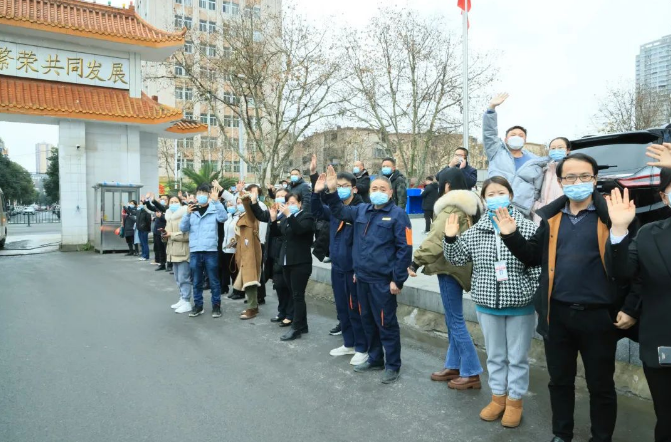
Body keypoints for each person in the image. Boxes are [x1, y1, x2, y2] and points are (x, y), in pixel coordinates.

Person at [496, 153, 639, 442]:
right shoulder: (551, 218)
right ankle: (562, 434)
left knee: (601, 385)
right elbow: (532, 257)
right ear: (560, 182)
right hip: (557, 315)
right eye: (570, 177)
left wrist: (630, 306)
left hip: (599, 317)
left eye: (584, 176)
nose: (577, 182)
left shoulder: (614, 215)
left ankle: (601, 437)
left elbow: (631, 270)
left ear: (595, 180)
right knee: (559, 382)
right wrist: (511, 235)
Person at [443, 176, 540, 428]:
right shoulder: (476, 231)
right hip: (487, 303)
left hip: (520, 304)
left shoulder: (528, 227)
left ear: (510, 195)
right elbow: (456, 258)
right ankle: (498, 398)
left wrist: (530, 291)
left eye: (501, 192)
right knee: (496, 356)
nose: (496, 198)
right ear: (484, 200)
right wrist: (451, 238)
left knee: (517, 357)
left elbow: (537, 266)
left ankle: (515, 401)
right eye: (490, 194)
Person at [324, 166, 413, 384]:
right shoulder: (361, 211)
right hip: (361, 278)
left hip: (383, 282)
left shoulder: (398, 215)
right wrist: (332, 190)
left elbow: (405, 249)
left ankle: (393, 364)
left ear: (390, 192)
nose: (377, 191)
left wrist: (397, 280)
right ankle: (375, 358)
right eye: (374, 188)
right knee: (368, 321)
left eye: (382, 188)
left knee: (386, 323)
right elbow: (338, 211)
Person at [606, 163, 671, 442]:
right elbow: (623, 272)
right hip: (663, 345)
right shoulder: (648, 234)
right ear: (664, 197)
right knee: (667, 420)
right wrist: (619, 230)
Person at [409, 168, 484, 389]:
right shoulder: (467, 206)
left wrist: (416, 261)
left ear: (448, 185)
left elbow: (436, 239)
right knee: (453, 320)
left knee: (455, 320)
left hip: (450, 267)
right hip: (458, 267)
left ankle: (471, 372)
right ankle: (454, 365)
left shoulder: (450, 207)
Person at [312, 171, 368, 365]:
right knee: (342, 307)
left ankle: (362, 347)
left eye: (344, 186)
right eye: (338, 186)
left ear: (354, 188)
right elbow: (318, 211)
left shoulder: (360, 210)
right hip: (337, 267)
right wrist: (316, 192)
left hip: (353, 269)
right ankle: (349, 343)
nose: (341, 189)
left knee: (355, 309)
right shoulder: (336, 211)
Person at [483, 93, 548, 218]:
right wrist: (491, 109)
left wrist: (529, 203)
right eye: (513, 135)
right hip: (495, 207)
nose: (517, 137)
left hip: (522, 212)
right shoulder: (496, 152)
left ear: (525, 140)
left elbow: (537, 188)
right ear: (505, 139)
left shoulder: (535, 161)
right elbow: (489, 133)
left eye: (521, 135)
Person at [180, 183, 228, 318]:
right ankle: (198, 306)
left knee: (214, 280)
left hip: (210, 250)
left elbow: (223, 218)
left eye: (204, 193)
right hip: (195, 250)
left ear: (208, 195)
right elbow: (183, 228)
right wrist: (187, 214)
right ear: (196, 196)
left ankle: (216, 306)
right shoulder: (192, 210)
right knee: (196, 280)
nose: (201, 196)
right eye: (199, 193)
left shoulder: (214, 208)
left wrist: (217, 201)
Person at [273, 192, 315, 341]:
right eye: (288, 203)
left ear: (300, 204)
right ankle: (303, 324)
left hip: (300, 263)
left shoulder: (307, 217)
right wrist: (273, 220)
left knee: (297, 295)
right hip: (286, 262)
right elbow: (278, 234)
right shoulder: (285, 218)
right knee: (294, 294)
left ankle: (296, 327)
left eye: (293, 202)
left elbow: (300, 231)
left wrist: (289, 215)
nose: (290, 205)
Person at [253, 187, 294, 327]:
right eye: (277, 196)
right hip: (272, 256)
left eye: (283, 195)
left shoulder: (289, 214)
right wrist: (253, 202)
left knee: (286, 287)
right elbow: (259, 214)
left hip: (284, 256)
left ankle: (290, 314)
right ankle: (282, 312)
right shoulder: (273, 212)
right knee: (278, 287)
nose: (280, 198)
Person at [235, 193, 264, 320]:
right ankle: (253, 305)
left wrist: (246, 200)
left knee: (250, 280)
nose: (239, 205)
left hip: (250, 252)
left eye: (240, 203)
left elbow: (248, 208)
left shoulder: (251, 216)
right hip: (243, 252)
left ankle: (252, 308)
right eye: (238, 202)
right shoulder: (241, 216)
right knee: (247, 280)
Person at [532, 137, 571, 224]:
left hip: (563, 214)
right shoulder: (546, 169)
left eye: (560, 147)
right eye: (553, 148)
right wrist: (537, 207)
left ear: (567, 150)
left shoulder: (572, 169)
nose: (556, 150)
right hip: (543, 215)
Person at [164, 196, 192, 314]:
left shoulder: (185, 215)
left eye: (176, 202)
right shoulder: (169, 217)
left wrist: (171, 235)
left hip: (183, 251)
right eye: (171, 202)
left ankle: (187, 301)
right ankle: (182, 298)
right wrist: (165, 235)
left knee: (183, 278)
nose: (173, 204)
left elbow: (187, 236)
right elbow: (167, 233)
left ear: (180, 203)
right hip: (172, 251)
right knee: (177, 278)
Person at [221, 200, 243, 300]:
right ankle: (235, 289)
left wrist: (233, 244)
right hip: (226, 247)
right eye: (228, 205)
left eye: (232, 205)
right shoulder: (228, 215)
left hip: (235, 247)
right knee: (230, 270)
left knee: (236, 270)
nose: (230, 206)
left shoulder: (240, 216)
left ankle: (239, 291)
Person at [145, 193, 168, 271]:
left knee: (166, 249)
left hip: (165, 231)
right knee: (159, 248)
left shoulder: (168, 208)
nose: (163, 200)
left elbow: (166, 218)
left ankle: (169, 265)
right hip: (157, 231)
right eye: (162, 199)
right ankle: (162, 264)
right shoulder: (158, 208)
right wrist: (147, 200)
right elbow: (150, 207)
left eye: (165, 199)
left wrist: (161, 216)